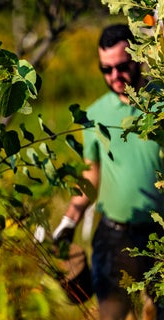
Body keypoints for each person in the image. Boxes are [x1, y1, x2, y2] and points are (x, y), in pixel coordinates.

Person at [52, 24, 164, 320]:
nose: (115, 76)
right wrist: (69, 221)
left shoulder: (161, 101)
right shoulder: (95, 115)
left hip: (159, 235)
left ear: (138, 58)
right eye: (106, 69)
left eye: (122, 66)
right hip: (114, 238)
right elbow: (91, 175)